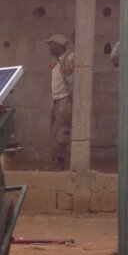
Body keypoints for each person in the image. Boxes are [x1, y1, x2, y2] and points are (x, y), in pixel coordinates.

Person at [45, 33, 74, 170]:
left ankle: (60, 164)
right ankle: (55, 163)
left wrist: (69, 97)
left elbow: (74, 80)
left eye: (51, 44)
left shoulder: (70, 58)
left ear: (58, 45)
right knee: (54, 133)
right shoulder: (56, 61)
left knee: (61, 133)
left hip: (64, 99)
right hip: (55, 99)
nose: (49, 47)